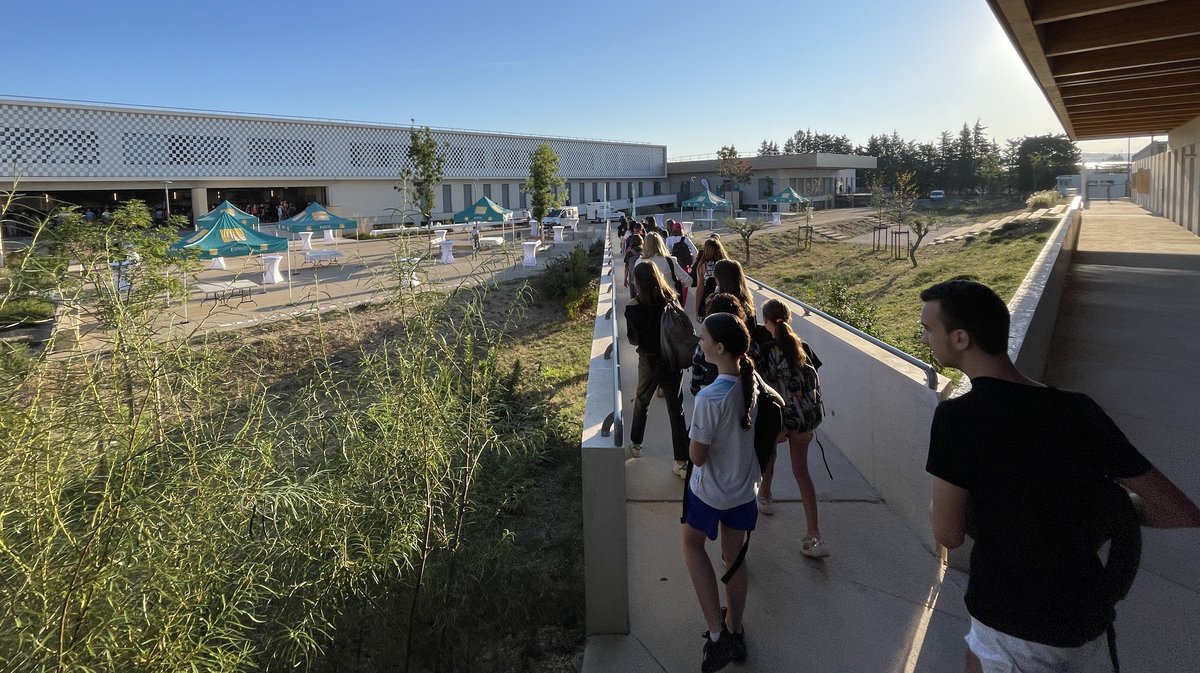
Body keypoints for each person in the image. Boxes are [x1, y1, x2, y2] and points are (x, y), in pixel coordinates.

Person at [920, 279, 1200, 673]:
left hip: (1014, 620)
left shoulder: (957, 418)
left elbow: (948, 535)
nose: (925, 337)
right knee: (973, 656)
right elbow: (1181, 512)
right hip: (1085, 618)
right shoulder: (1078, 409)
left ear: (961, 338)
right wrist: (1097, 508)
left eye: (928, 329)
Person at [682, 312, 761, 673]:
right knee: (734, 560)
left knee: (691, 544)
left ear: (719, 348)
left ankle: (717, 636)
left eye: (703, 338)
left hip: (710, 493)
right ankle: (736, 629)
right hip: (743, 491)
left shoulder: (709, 397)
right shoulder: (751, 383)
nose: (700, 343)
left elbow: (697, 457)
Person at [758, 300, 828, 557]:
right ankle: (815, 536)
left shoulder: (766, 349)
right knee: (802, 472)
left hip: (779, 419)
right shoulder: (804, 348)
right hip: (803, 420)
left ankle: (765, 497)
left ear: (766, 321)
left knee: (770, 457)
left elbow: (765, 385)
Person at [624, 262, 691, 477]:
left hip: (649, 361)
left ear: (636, 280)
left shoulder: (633, 307)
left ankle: (636, 444)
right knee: (675, 409)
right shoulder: (671, 300)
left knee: (642, 401)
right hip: (671, 359)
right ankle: (681, 461)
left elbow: (633, 340)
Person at [638, 232, 686, 298]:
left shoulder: (640, 261)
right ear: (661, 244)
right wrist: (679, 286)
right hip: (668, 299)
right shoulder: (670, 260)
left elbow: (636, 282)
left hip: (647, 300)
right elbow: (688, 280)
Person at [694, 237, 731, 318]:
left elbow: (700, 288)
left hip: (709, 303)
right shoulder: (727, 264)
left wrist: (697, 310)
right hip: (727, 301)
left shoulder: (703, 266)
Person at [665, 221, 699, 304]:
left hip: (673, 265)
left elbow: (666, 253)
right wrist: (691, 261)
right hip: (684, 265)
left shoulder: (669, 239)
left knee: (674, 283)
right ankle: (683, 302)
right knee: (684, 284)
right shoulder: (685, 239)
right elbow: (695, 252)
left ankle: (676, 301)